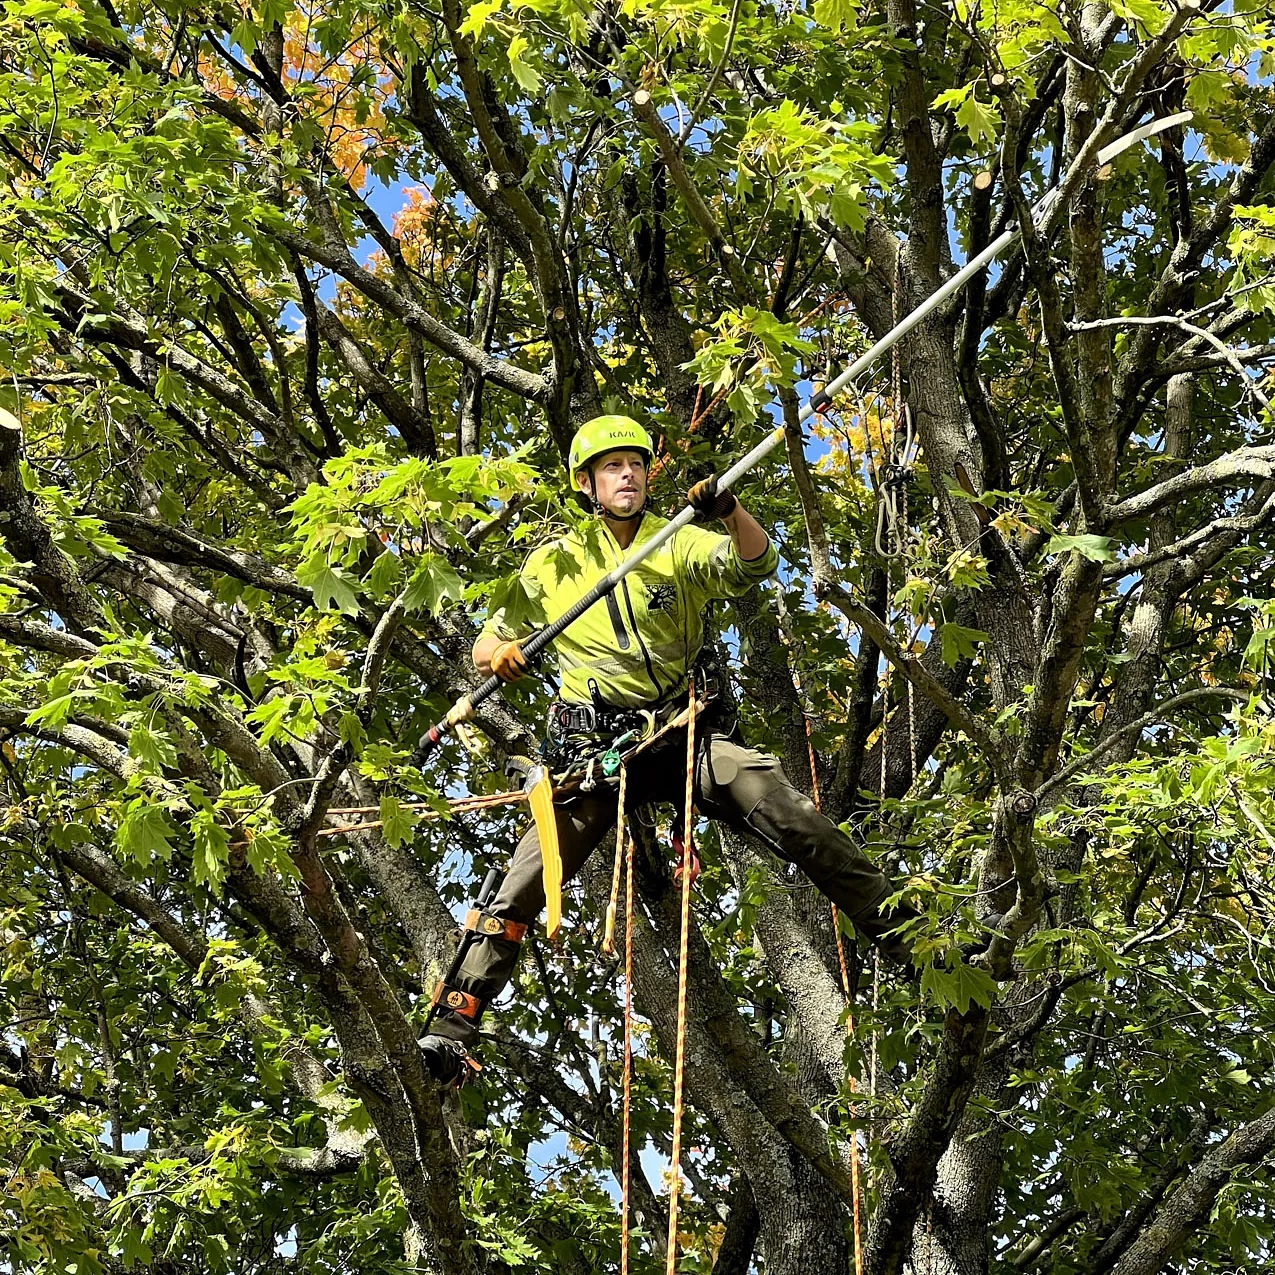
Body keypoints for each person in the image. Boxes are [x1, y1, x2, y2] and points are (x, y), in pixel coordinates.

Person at [419, 415, 918, 1084]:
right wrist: (498, 655)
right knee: (519, 885)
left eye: (635, 464)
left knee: (792, 814)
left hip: (684, 739)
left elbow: (752, 562)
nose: (626, 474)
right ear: (587, 484)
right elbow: (488, 640)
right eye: (611, 466)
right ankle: (449, 1035)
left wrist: (728, 511)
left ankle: (914, 941)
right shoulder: (552, 563)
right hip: (593, 755)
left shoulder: (675, 543)